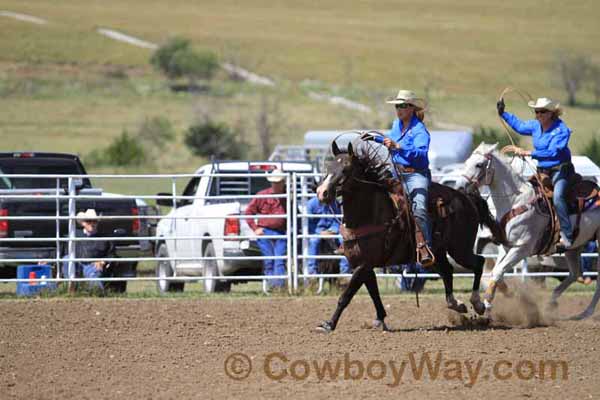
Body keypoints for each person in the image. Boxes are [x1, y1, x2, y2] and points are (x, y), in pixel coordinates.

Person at [497, 97, 574, 249]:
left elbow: (553, 152)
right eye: (536, 111)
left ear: (551, 113)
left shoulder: (561, 130)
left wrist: (529, 153)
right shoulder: (535, 126)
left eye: (542, 112)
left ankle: (567, 236)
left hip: (560, 170)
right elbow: (519, 126)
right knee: (526, 195)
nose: (538, 115)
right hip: (543, 171)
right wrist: (504, 114)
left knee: (558, 198)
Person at [370, 89, 434, 267]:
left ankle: (424, 247)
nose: (399, 109)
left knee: (419, 207)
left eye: (403, 106)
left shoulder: (420, 130)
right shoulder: (396, 125)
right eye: (397, 106)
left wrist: (398, 146)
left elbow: (421, 154)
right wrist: (374, 137)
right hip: (396, 172)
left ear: (411, 108)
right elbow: (389, 140)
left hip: (416, 174)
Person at [245, 169, 288, 289]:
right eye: (274, 182)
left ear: (283, 182)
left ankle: (278, 287)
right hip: (265, 232)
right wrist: (255, 228)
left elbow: (295, 215)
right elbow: (248, 212)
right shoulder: (262, 195)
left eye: (278, 182)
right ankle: (272, 285)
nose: (276, 185)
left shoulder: (288, 197)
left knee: (279, 259)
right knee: (269, 259)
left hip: (281, 232)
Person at [62, 209, 114, 291]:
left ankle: (98, 295)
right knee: (66, 259)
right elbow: (62, 251)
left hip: (93, 265)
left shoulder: (104, 238)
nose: (92, 224)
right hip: (76, 263)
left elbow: (111, 254)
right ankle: (70, 288)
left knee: (93, 275)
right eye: (89, 221)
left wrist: (102, 261)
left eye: (94, 221)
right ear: (83, 223)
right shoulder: (74, 234)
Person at [305, 196, 350, 276]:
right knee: (313, 241)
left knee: (344, 240)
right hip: (316, 231)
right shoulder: (311, 204)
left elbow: (338, 220)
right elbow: (308, 223)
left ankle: (344, 271)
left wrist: (333, 230)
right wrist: (320, 232)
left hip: (332, 230)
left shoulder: (334, 202)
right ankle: (312, 272)